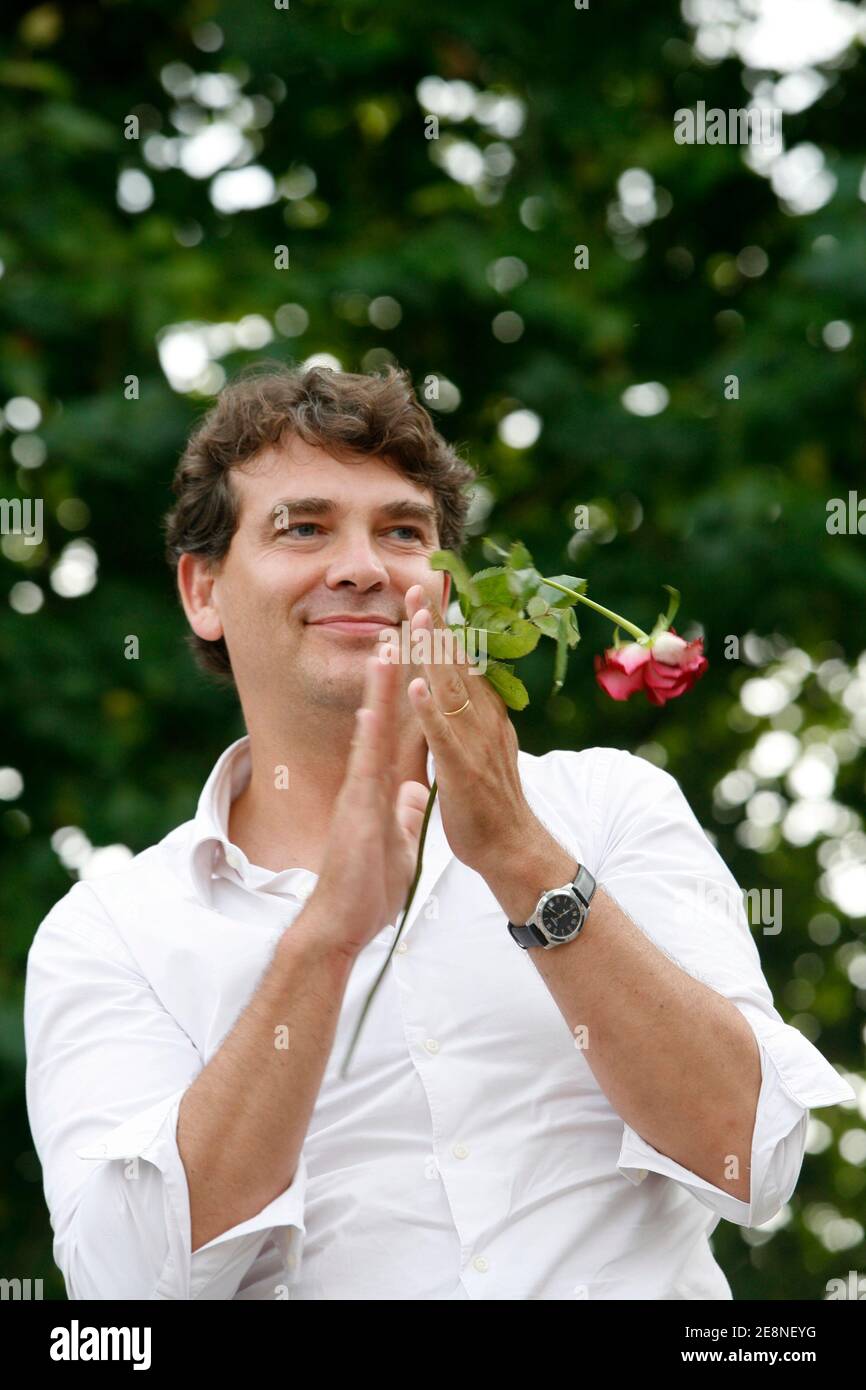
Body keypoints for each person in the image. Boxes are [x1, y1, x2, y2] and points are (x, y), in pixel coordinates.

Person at [24, 364, 854, 1301]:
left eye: (403, 532)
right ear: (202, 590)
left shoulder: (611, 811)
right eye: (304, 527)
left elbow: (754, 1161)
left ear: (449, 584)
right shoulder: (111, 930)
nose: (363, 568)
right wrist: (327, 939)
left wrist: (520, 856)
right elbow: (126, 1290)